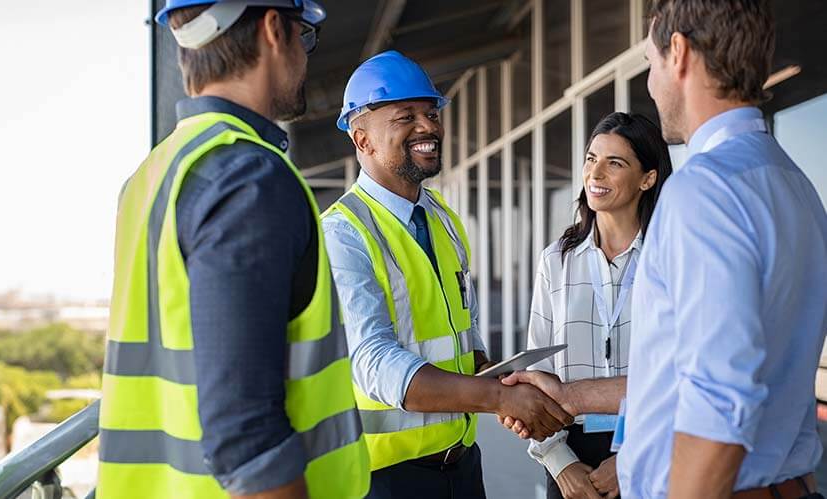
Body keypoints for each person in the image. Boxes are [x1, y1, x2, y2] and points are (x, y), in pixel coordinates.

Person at [501, 1, 827, 497]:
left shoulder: (704, 190)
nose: (652, 83)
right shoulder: (794, 184)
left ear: (678, 53)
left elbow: (718, 400)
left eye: (650, 63)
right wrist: (570, 396)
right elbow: (681, 374)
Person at [96, 2, 370, 498]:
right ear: (272, 29)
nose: (305, 60)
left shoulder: (152, 174)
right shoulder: (247, 178)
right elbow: (247, 440)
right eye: (303, 37)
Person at [322, 50, 574, 499]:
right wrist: (499, 400)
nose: (429, 126)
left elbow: (463, 334)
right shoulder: (343, 234)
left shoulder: (441, 219)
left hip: (461, 466)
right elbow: (376, 365)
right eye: (406, 116)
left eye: (431, 112)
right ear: (363, 140)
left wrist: (504, 379)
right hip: (385, 480)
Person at [524, 112, 672, 499]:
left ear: (648, 178)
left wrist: (632, 460)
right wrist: (561, 465)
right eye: (591, 159)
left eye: (614, 163)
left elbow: (683, 372)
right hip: (571, 453)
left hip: (653, 449)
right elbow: (537, 368)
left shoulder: (671, 258)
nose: (595, 173)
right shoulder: (556, 259)